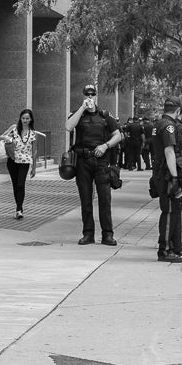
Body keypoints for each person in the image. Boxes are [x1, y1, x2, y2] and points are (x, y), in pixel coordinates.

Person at [65, 84, 122, 246]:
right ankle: (88, 234)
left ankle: (107, 234)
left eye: (92, 94)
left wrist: (105, 146)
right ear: (83, 96)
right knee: (86, 199)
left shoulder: (105, 115)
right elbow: (68, 127)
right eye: (87, 94)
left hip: (101, 161)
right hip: (83, 161)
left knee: (105, 198)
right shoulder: (77, 114)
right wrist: (82, 109)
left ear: (96, 96)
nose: (90, 97)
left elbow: (118, 135)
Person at [151, 97, 182, 263]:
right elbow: (169, 151)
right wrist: (175, 177)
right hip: (167, 173)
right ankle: (165, 250)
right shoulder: (169, 126)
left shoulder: (158, 123)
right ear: (178, 111)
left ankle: (172, 248)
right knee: (169, 212)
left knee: (170, 211)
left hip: (160, 171)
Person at [0, 109, 38, 219]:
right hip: (12, 160)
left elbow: (34, 151)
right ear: (20, 119)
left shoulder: (33, 133)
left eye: (27, 118)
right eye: (23, 118)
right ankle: (18, 207)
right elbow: (2, 136)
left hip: (25, 162)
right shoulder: (14, 128)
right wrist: (9, 138)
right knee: (15, 185)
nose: (25, 120)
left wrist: (34, 168)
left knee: (21, 184)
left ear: (31, 120)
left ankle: (19, 209)